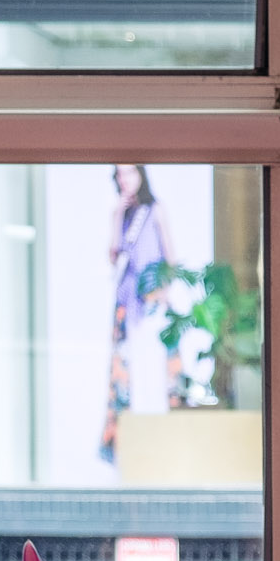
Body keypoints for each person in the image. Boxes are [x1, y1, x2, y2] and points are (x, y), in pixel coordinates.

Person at [102, 164, 180, 464]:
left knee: (156, 369)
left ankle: (162, 440)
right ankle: (127, 441)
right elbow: (113, 257)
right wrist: (117, 216)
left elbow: (170, 255)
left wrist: (163, 289)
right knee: (127, 368)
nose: (125, 180)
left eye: (130, 173)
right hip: (126, 300)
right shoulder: (120, 213)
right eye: (120, 175)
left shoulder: (155, 210)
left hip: (151, 300)